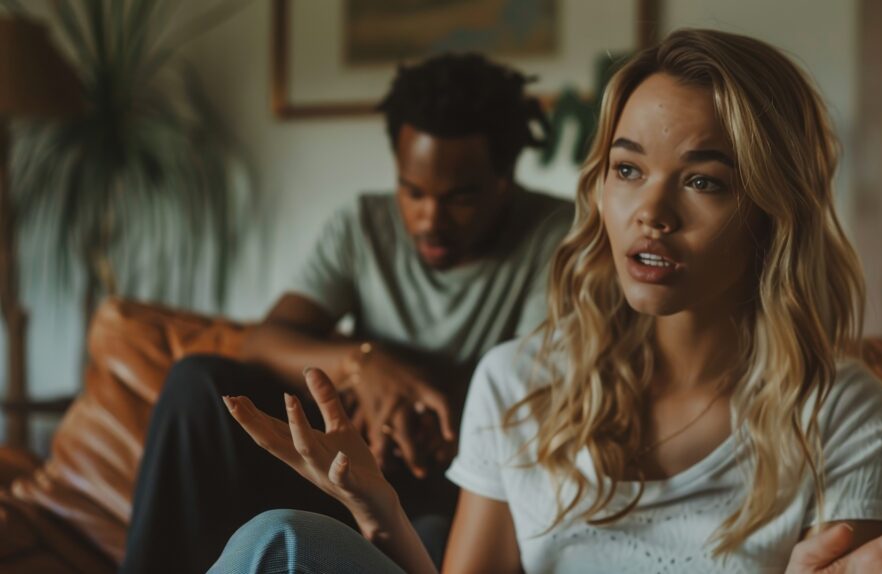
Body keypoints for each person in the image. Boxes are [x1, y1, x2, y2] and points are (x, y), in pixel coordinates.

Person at [211, 29, 882, 574]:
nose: (651, 212)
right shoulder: (517, 381)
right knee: (282, 538)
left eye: (704, 180)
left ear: (773, 208)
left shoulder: (844, 413)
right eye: (628, 169)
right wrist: (382, 515)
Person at [119, 53, 573, 574]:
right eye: (413, 191)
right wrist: (365, 364)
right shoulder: (362, 225)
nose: (430, 219)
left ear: (503, 181)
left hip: (460, 480)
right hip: (349, 460)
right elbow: (263, 341)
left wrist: (419, 401)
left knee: (433, 537)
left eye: (460, 198)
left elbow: (539, 382)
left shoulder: (555, 235)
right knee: (197, 383)